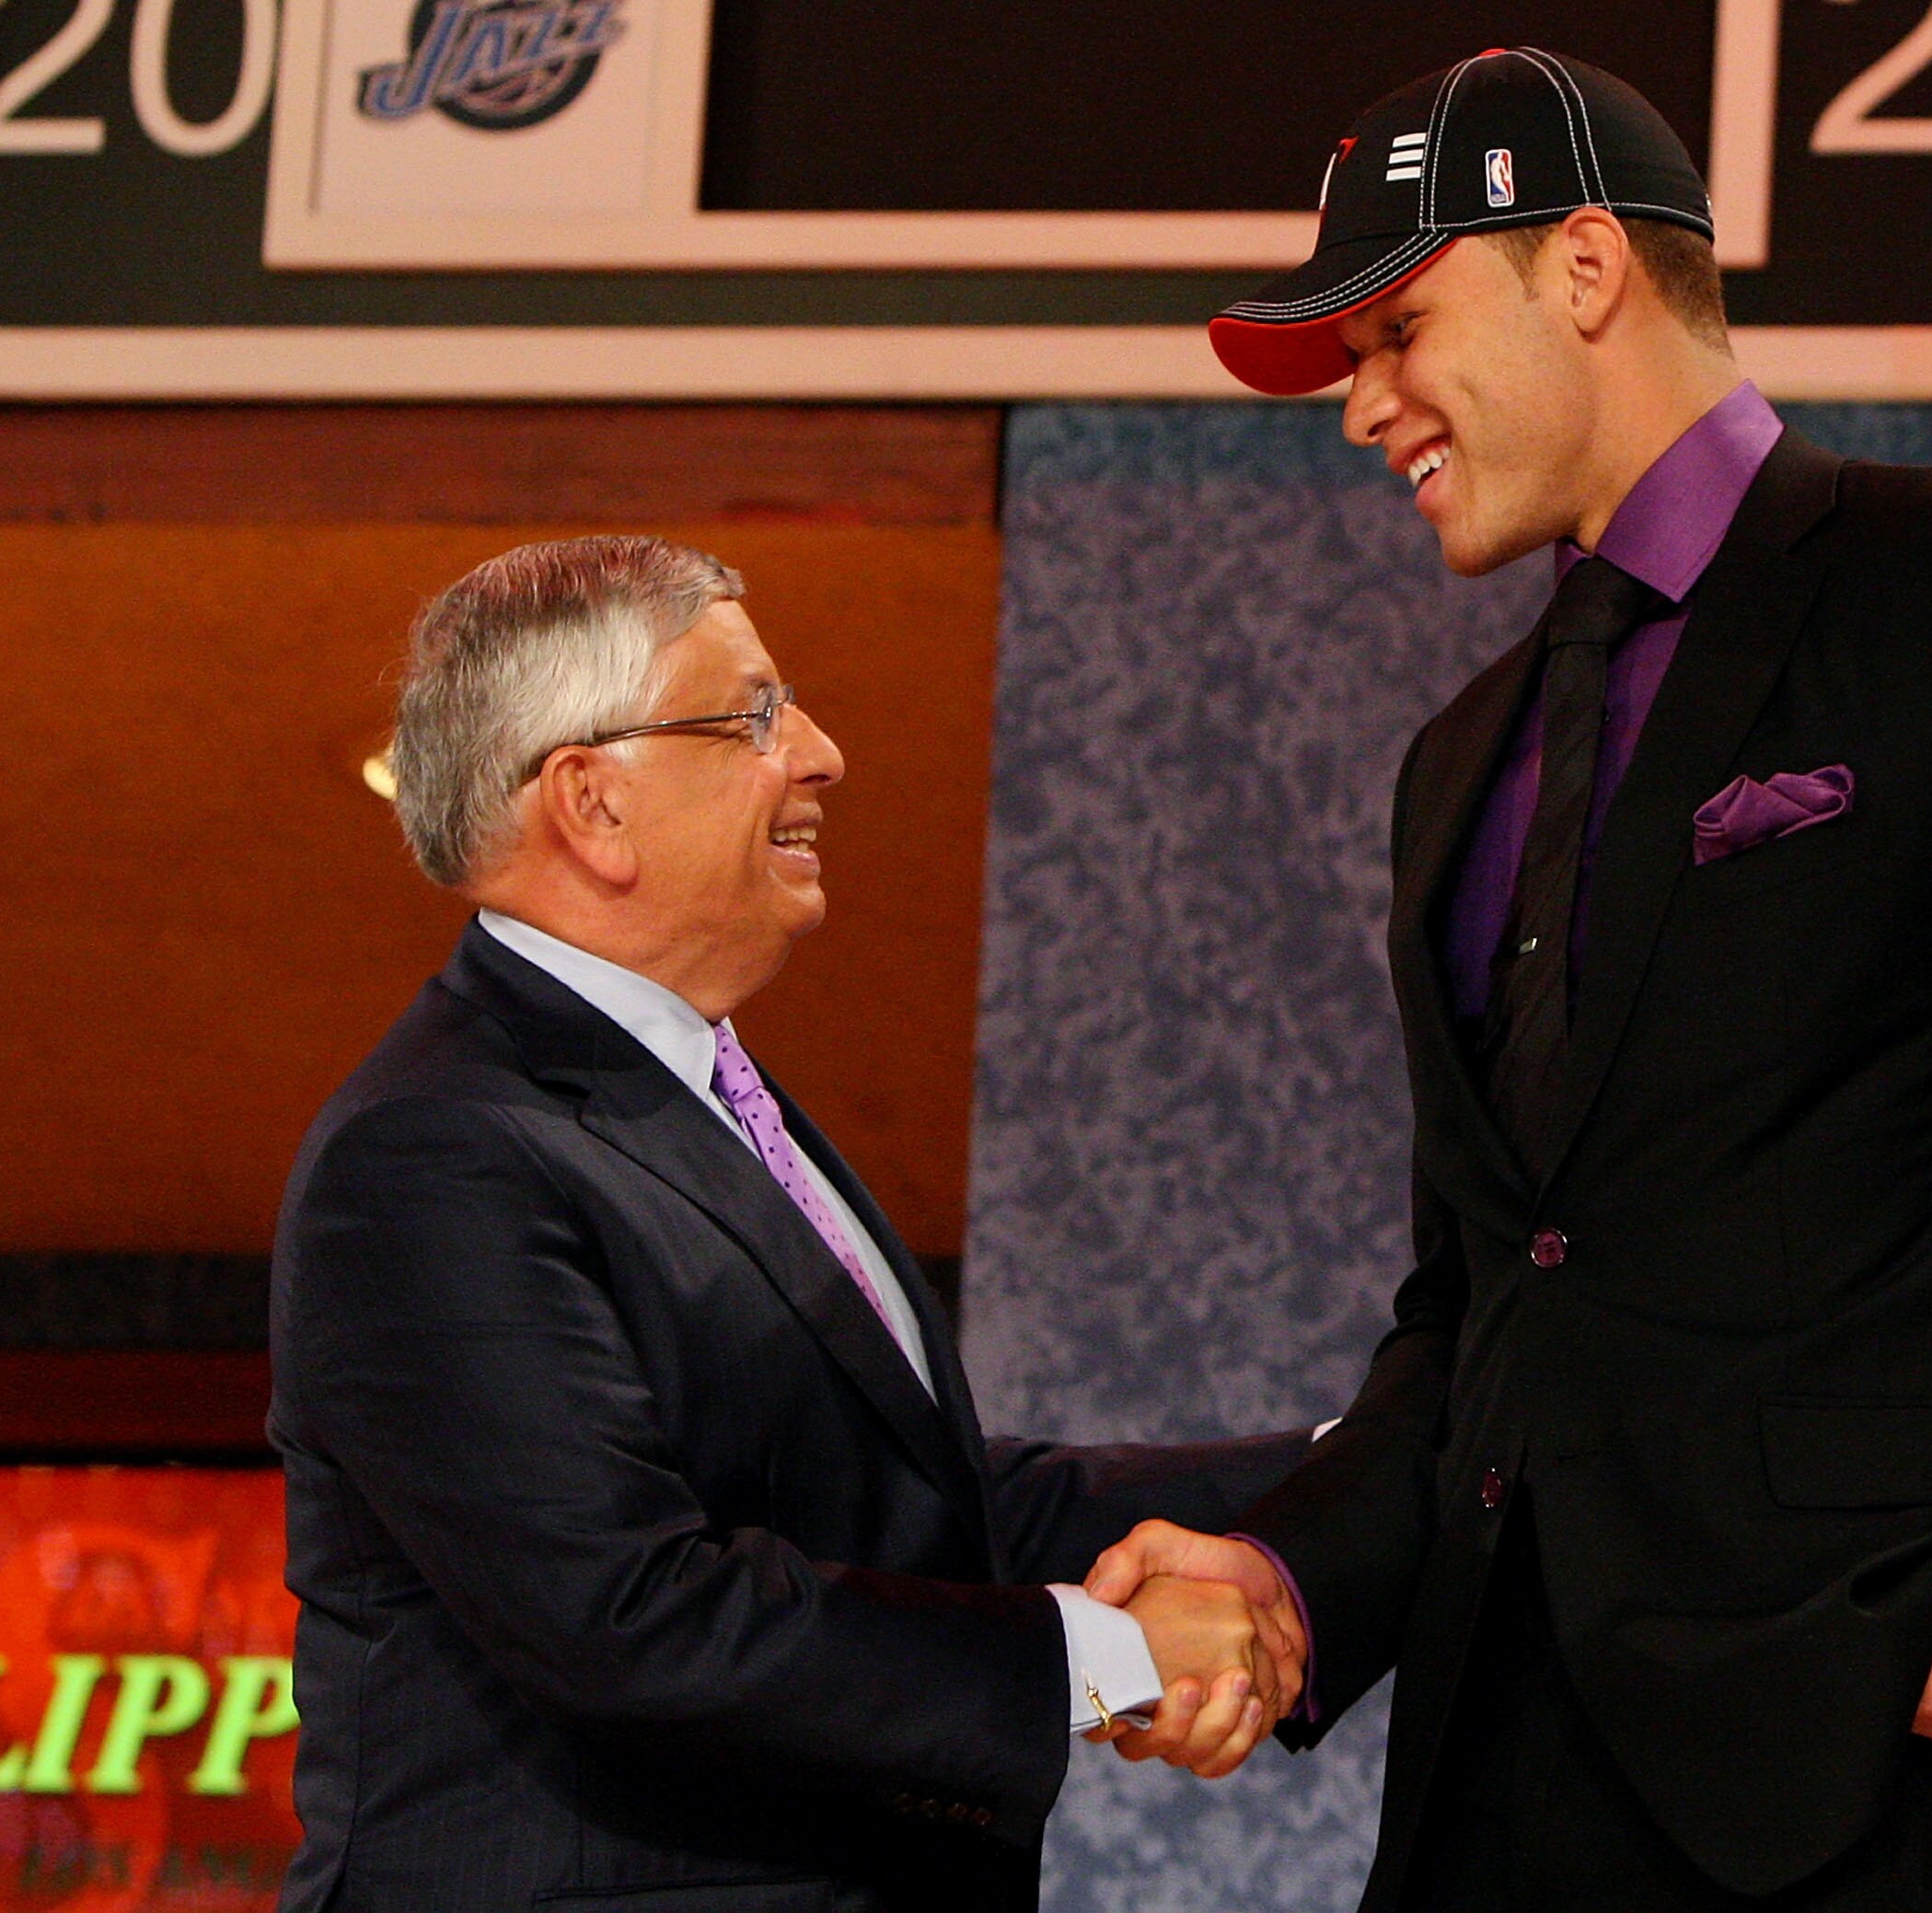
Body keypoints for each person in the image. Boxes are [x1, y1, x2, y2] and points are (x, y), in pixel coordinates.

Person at [1084, 48, 1932, 1913]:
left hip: (1877, 1783)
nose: (1361, 407)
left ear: (1580, 270)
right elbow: (1486, 1313)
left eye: (1396, 333)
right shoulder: (1456, 762)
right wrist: (1292, 1580)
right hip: (1494, 1793)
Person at [269, 536, 1311, 1913]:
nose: (820, 754)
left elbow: (920, 1506)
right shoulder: (433, 1151)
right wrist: (1106, 1659)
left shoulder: (700, 1097)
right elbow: (631, 1618)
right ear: (594, 802)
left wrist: (1351, 1476)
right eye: (754, 715)